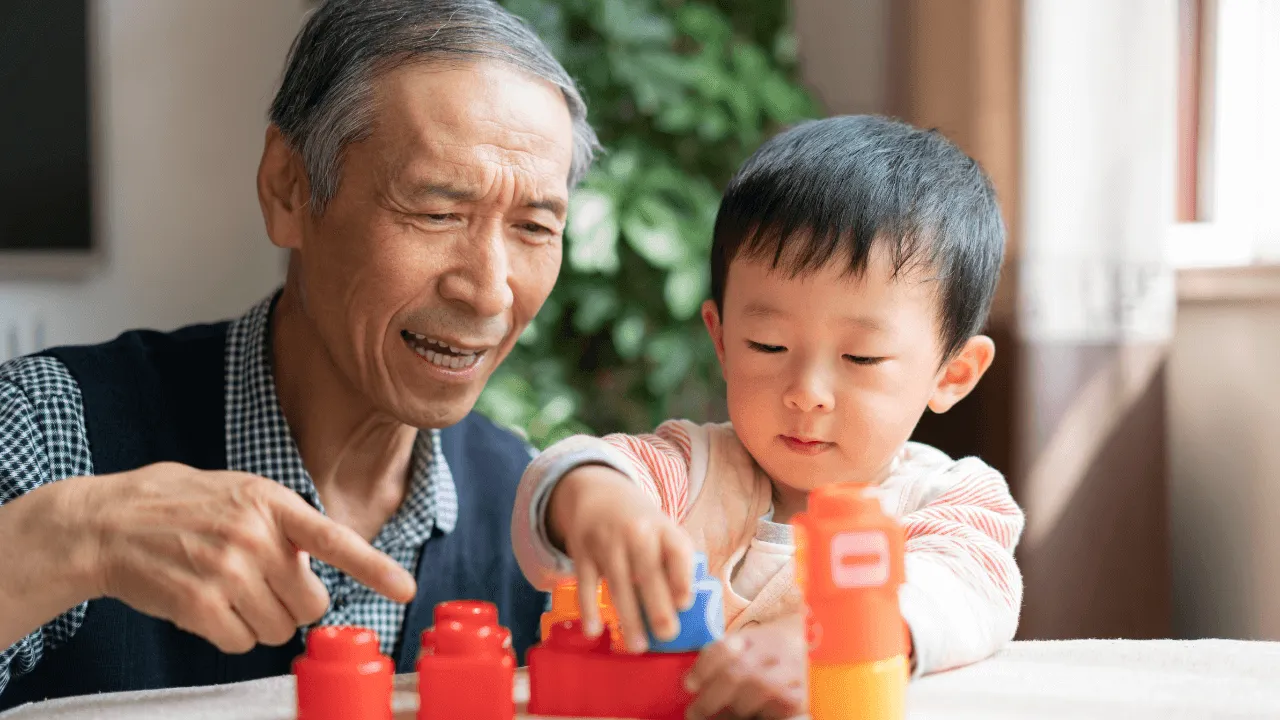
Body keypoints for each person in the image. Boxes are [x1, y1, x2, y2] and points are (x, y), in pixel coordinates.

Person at [0, 0, 599, 708]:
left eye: (534, 226)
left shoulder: (533, 516)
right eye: (437, 212)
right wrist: (73, 542)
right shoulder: (52, 429)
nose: (489, 292)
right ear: (287, 187)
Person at [513, 115, 1025, 719]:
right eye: (768, 346)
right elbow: (570, 471)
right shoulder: (687, 471)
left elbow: (962, 591)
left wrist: (824, 639)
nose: (807, 393)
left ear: (952, 373)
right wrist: (597, 502)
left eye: (860, 356)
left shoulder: (950, 502)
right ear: (722, 340)